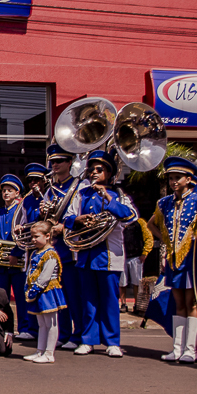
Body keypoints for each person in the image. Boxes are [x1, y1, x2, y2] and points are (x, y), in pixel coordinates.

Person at [63, 149, 138, 358]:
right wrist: (78, 220)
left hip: (109, 257)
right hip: (86, 255)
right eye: (91, 169)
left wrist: (108, 199)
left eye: (99, 169)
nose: (93, 173)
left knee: (109, 301)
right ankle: (88, 340)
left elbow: (131, 217)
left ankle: (112, 342)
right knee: (88, 301)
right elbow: (67, 218)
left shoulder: (119, 195)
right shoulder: (81, 194)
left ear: (109, 173)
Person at [147, 156, 197, 363]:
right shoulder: (164, 203)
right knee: (178, 303)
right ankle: (177, 348)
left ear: (189, 179)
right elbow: (151, 224)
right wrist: (165, 239)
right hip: (174, 259)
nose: (173, 182)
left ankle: (191, 349)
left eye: (178, 178)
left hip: (191, 259)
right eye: (171, 178)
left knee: (191, 304)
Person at [44, 145, 84, 349]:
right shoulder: (50, 190)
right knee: (59, 296)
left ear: (70, 162)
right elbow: (45, 219)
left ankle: (78, 335)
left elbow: (82, 215)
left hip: (72, 247)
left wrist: (64, 226)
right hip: (55, 248)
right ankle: (64, 333)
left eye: (59, 161)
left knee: (74, 296)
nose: (55, 165)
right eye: (53, 162)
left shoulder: (79, 186)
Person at [0, 174, 35, 341]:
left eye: (10, 190)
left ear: (17, 193)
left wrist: (16, 253)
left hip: (18, 259)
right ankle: (3, 327)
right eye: (4, 190)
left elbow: (25, 235)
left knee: (20, 296)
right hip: (2, 262)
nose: (6, 193)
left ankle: (24, 327)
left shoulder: (21, 210)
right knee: (1, 297)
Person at [23, 221, 67, 363]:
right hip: (37, 291)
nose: (33, 240)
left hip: (47, 291)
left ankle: (49, 353)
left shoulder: (50, 254)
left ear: (47, 236)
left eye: (36, 236)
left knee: (51, 323)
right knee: (41, 323)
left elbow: (45, 276)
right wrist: (28, 286)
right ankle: (40, 350)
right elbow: (30, 271)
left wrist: (35, 288)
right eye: (32, 237)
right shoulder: (35, 253)